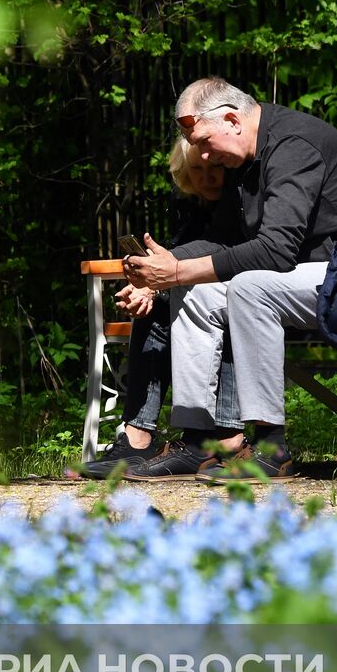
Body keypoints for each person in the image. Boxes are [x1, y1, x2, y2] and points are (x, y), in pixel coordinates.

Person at [120, 77, 337, 482]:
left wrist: (176, 270)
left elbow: (275, 250)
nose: (202, 155)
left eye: (202, 141)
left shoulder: (293, 145)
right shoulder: (242, 157)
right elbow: (222, 240)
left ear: (232, 119)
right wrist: (159, 274)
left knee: (251, 287)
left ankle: (272, 449)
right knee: (194, 291)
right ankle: (202, 442)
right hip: (310, 275)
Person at [81, 139, 244, 479]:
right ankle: (137, 438)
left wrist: (159, 286)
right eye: (196, 170)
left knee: (224, 307)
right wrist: (149, 289)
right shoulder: (186, 203)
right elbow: (181, 265)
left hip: (247, 294)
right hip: (198, 294)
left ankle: (225, 437)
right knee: (155, 307)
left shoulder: (244, 199)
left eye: (215, 168)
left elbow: (234, 261)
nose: (207, 177)